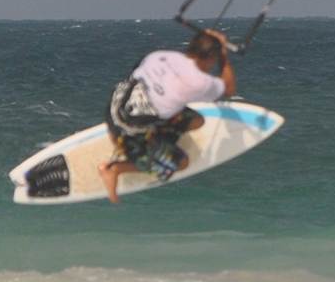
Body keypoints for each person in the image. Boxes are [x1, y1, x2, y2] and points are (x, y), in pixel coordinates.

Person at [100, 28, 235, 203]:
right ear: (211, 58)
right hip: (128, 128)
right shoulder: (199, 83)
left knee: (197, 121)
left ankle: (125, 135)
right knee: (182, 163)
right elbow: (229, 89)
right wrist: (224, 56)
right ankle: (115, 169)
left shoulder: (159, 56)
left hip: (114, 106)